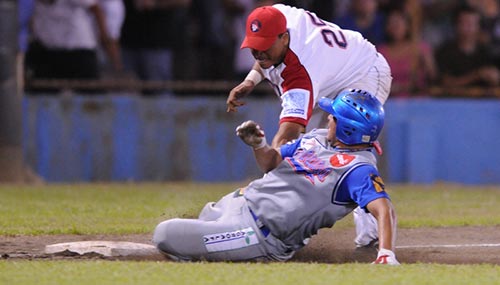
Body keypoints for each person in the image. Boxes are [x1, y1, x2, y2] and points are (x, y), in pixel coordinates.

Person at [154, 89, 400, 265]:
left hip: (257, 235)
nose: (328, 117)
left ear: (347, 128)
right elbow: (271, 162)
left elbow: (383, 209)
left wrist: (386, 253)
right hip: (238, 203)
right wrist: (259, 144)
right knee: (200, 221)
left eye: (334, 116)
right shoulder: (317, 137)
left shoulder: (358, 169)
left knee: (166, 234)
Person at [226, 4, 391, 249]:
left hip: (364, 71)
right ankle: (279, 205)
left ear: (284, 38)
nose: (258, 53)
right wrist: (250, 80)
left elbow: (285, 137)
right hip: (331, 71)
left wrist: (268, 163)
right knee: (311, 146)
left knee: (354, 146)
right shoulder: (277, 15)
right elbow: (265, 54)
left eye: (265, 46)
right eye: (254, 46)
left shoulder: (300, 75)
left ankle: (371, 237)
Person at [25, 0, 115, 91]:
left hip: (79, 52)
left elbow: (96, 10)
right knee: (41, 92)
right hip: (48, 51)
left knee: (91, 93)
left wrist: (105, 39)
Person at [434, 4, 499, 94]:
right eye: (464, 23)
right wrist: (476, 75)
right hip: (451, 103)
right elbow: (445, 83)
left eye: (472, 24)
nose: (468, 28)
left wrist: (495, 79)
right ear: (456, 25)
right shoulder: (445, 51)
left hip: (482, 103)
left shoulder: (487, 52)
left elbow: (495, 83)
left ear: (479, 27)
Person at [378, 8, 437, 97]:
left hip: (417, 100)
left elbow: (433, 76)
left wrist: (425, 65)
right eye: (391, 23)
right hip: (389, 101)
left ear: (407, 26)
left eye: (398, 23)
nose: (395, 27)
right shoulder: (380, 51)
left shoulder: (420, 48)